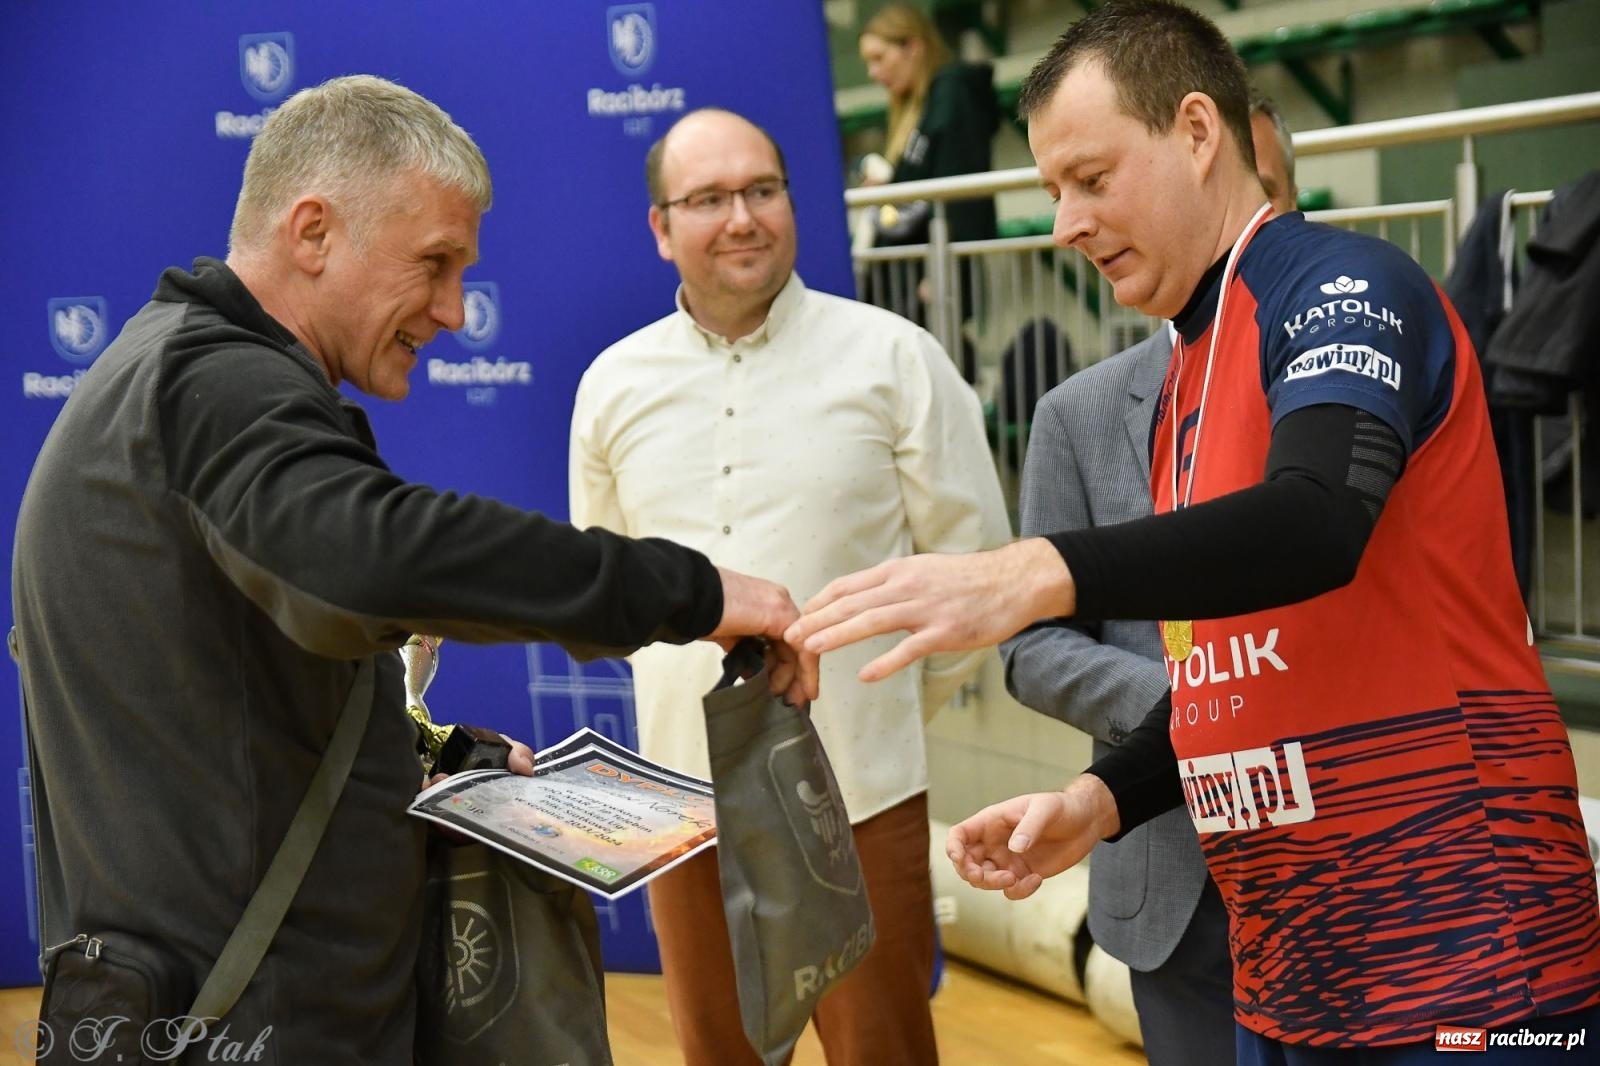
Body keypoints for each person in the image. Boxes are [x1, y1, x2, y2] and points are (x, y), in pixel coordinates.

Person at [789, 2, 1600, 1060]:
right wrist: (1104, 797)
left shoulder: (1342, 285)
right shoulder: (1182, 374)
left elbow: (1315, 523)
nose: (1067, 222)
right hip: (1295, 969)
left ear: (1197, 132)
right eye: (1052, 191)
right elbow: (1248, 671)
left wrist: (1038, 572)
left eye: (1091, 177)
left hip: (1462, 955)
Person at [12, 75, 813, 1066]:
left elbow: (226, 712)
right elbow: (373, 558)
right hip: (237, 1018)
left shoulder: (176, 373)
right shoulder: (214, 384)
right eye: (433, 264)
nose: (454, 310)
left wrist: (435, 762)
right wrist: (691, 591)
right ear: (314, 232)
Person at [569, 107, 1010, 1065]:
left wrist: (874, 710)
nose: (742, 218)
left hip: (858, 796)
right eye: (710, 199)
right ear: (660, 227)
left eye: (762, 191)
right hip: (680, 803)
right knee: (715, 1052)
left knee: (882, 1050)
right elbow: (604, 588)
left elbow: (975, 574)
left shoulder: (896, 360)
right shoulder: (611, 386)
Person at [999, 94, 1299, 1066]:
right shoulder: (1078, 416)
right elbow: (1034, 646)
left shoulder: (1357, 381)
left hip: (1350, 865)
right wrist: (1200, 708)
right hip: (1171, 874)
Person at [858, 3, 998, 375]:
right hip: (908, 275)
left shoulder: (950, 93)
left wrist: (941, 272)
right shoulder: (917, 107)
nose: (874, 72)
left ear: (913, 47)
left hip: (932, 270)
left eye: (879, 57)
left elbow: (956, 186)